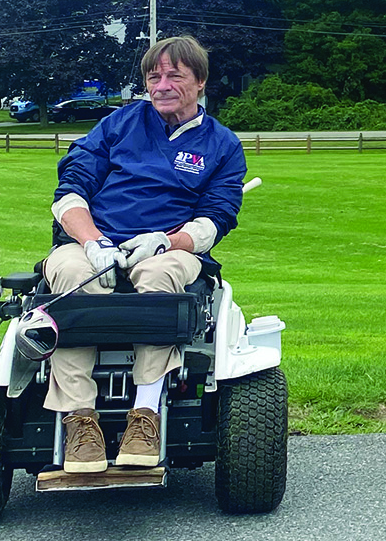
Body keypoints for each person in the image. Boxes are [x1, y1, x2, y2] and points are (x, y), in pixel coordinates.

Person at [43, 36, 246, 474]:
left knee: (160, 276)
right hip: (94, 243)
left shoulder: (223, 145)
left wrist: (163, 241)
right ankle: (80, 421)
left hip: (165, 248)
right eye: (154, 76)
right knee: (71, 276)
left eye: (175, 75)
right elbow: (70, 191)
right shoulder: (118, 125)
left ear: (200, 83)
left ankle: (146, 415)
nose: (162, 84)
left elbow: (215, 220)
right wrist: (93, 242)